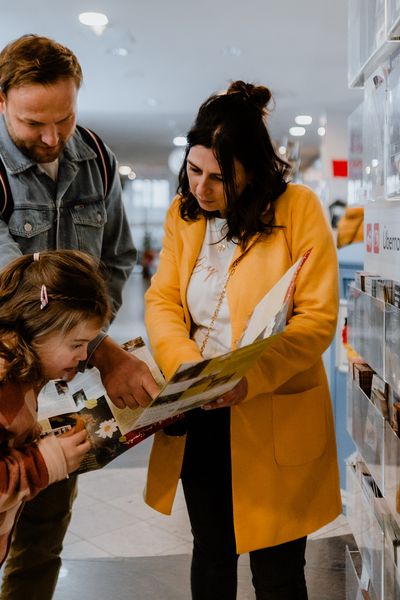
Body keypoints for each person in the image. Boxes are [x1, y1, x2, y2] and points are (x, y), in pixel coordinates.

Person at [144, 81, 342, 599]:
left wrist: (249, 376)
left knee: (277, 568)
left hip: (272, 408)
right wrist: (192, 368)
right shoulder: (182, 215)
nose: (202, 189)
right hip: (200, 407)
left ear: (252, 170)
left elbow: (317, 319)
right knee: (212, 551)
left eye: (219, 178)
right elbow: (163, 302)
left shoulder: (299, 210)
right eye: (193, 171)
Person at [0, 34, 159, 599]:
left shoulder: (96, 158)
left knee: (43, 534)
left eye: (63, 119)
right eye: (31, 124)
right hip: (7, 376)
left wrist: (87, 341)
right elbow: (13, 294)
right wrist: (98, 349)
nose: (51, 139)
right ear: (1, 103)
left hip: (62, 378)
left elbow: (115, 257)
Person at [0, 249, 112, 566]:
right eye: (76, 344)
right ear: (38, 328)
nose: (83, 356)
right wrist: (48, 461)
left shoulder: (21, 372)